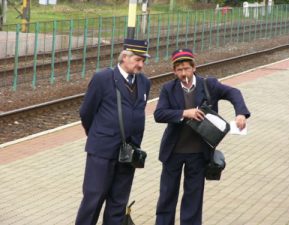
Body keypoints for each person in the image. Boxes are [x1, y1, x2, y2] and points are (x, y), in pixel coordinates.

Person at [154, 48, 250, 225]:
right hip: (173, 151)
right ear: (174, 71)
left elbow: (233, 93)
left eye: (187, 69)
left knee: (193, 198)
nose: (184, 73)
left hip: (198, 153)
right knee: (167, 196)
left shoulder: (209, 85)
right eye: (179, 70)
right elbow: (159, 114)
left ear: (194, 68)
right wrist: (185, 113)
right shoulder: (168, 88)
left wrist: (240, 113)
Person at [75, 39, 151, 225]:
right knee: (93, 199)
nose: (141, 64)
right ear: (124, 57)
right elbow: (86, 112)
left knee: (118, 203)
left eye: (143, 60)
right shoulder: (103, 78)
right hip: (102, 151)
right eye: (138, 60)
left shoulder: (144, 82)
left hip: (129, 153)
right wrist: (98, 135)